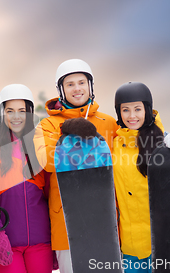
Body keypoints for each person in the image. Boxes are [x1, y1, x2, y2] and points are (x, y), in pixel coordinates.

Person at [33, 59, 120, 273]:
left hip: (104, 219)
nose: (77, 88)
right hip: (67, 220)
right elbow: (48, 161)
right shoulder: (48, 125)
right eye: (70, 84)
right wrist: (69, 135)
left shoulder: (108, 123)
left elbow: (125, 156)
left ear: (90, 86)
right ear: (61, 90)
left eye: (81, 82)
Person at [112, 82, 170, 273]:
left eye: (137, 109)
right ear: (119, 113)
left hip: (161, 241)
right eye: (125, 110)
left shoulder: (164, 142)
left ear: (146, 109)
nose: (132, 116)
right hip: (129, 244)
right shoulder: (114, 144)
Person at [0, 84, 53, 273]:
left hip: (41, 242)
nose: (16, 117)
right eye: (10, 111)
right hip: (7, 243)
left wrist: (55, 239)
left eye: (22, 111)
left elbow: (52, 194)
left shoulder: (40, 145)